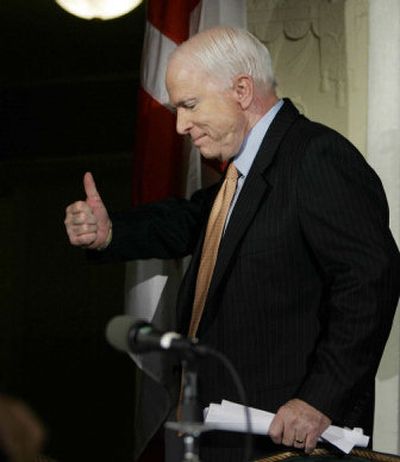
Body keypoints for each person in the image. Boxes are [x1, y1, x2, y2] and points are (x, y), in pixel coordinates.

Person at [64, 26, 400, 461]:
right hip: (223, 438)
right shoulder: (241, 177)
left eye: (189, 105)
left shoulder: (315, 156)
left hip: (288, 443)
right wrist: (110, 233)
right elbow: (192, 220)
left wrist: (319, 400)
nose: (182, 125)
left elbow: (370, 278)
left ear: (242, 90)